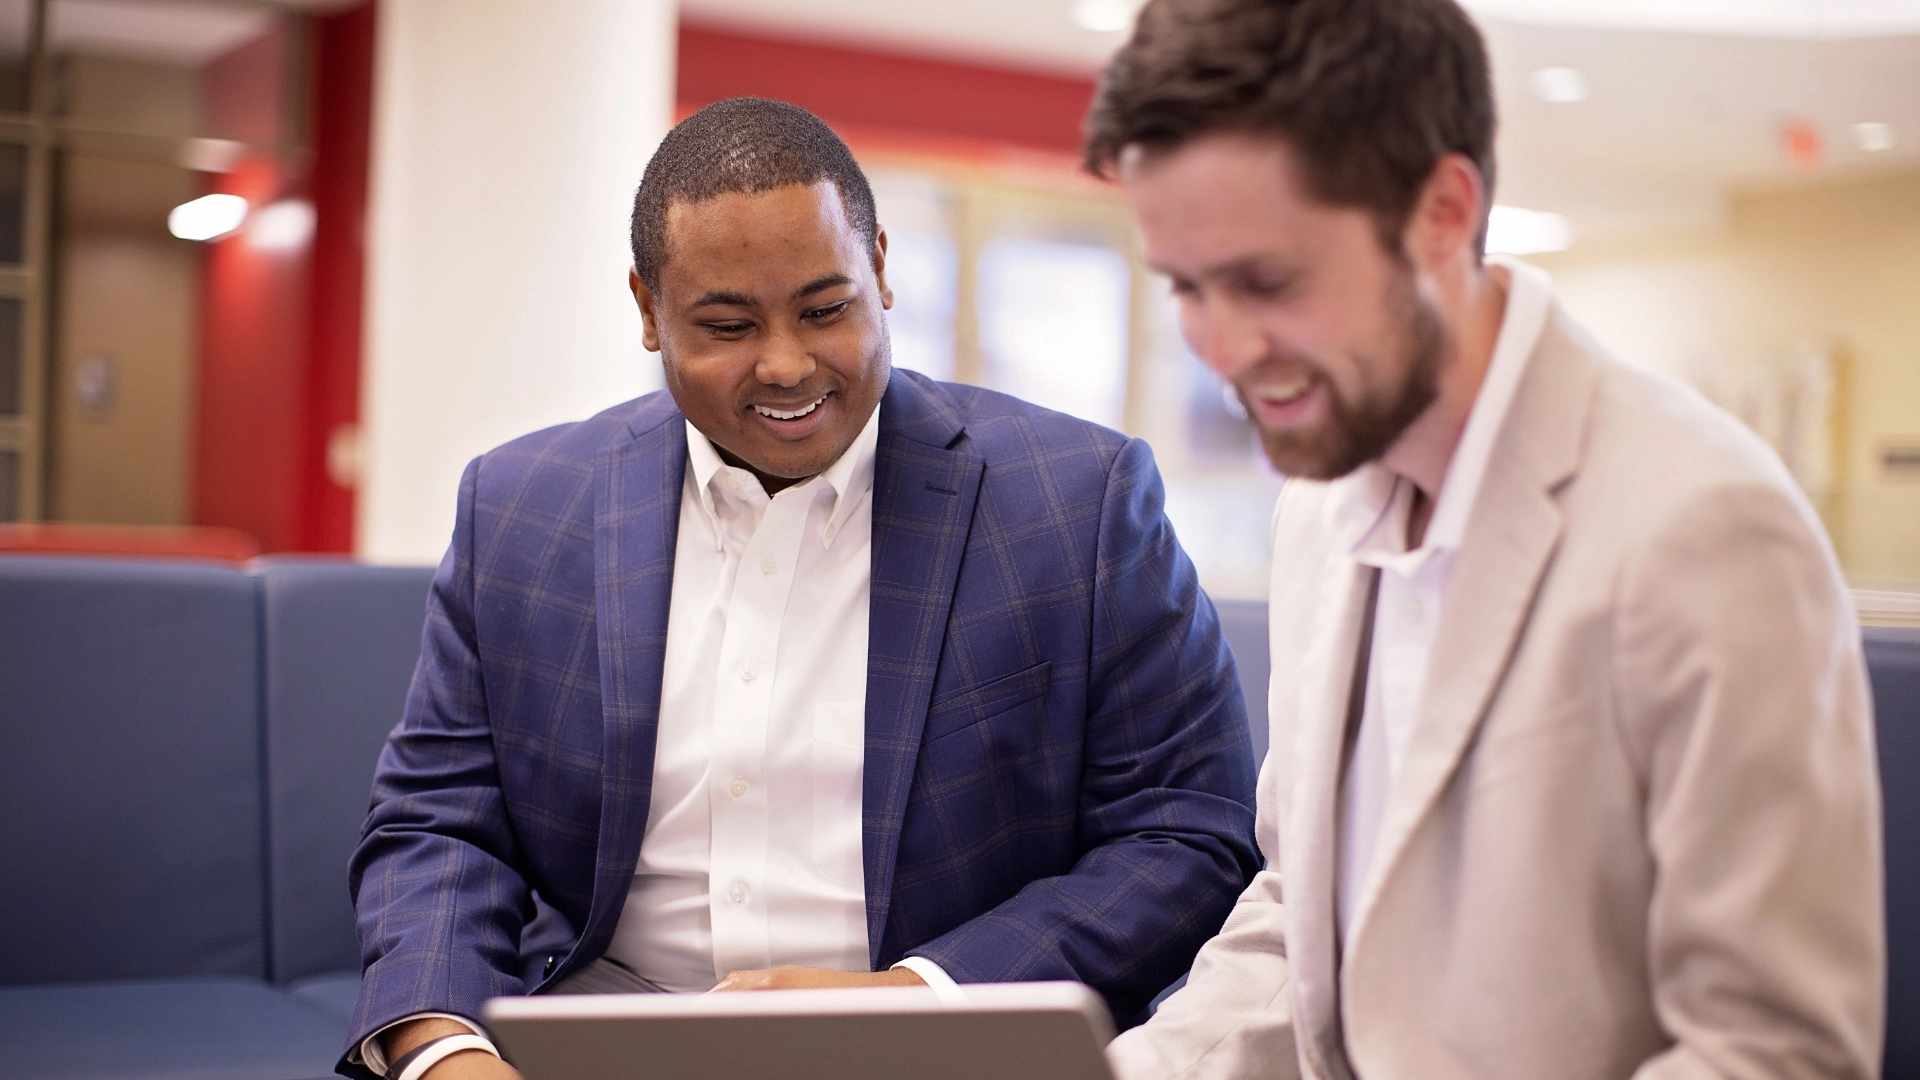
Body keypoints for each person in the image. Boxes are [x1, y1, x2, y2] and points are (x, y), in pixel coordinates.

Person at [339, 97, 1260, 1080]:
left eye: (826, 310)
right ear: (648, 310)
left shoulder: (1078, 502)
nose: (786, 365)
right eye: (728, 324)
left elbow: (1186, 833)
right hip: (599, 1033)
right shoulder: (522, 509)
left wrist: (919, 1000)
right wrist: (442, 1048)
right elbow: (437, 821)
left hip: (940, 1043)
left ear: (883, 273)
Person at [1084, 1, 1885, 1078]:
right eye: (1187, 288)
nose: (1224, 348)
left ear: (1443, 212)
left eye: (1270, 281)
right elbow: (1298, 925)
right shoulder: (1320, 510)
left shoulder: (1702, 525)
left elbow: (1775, 1052)